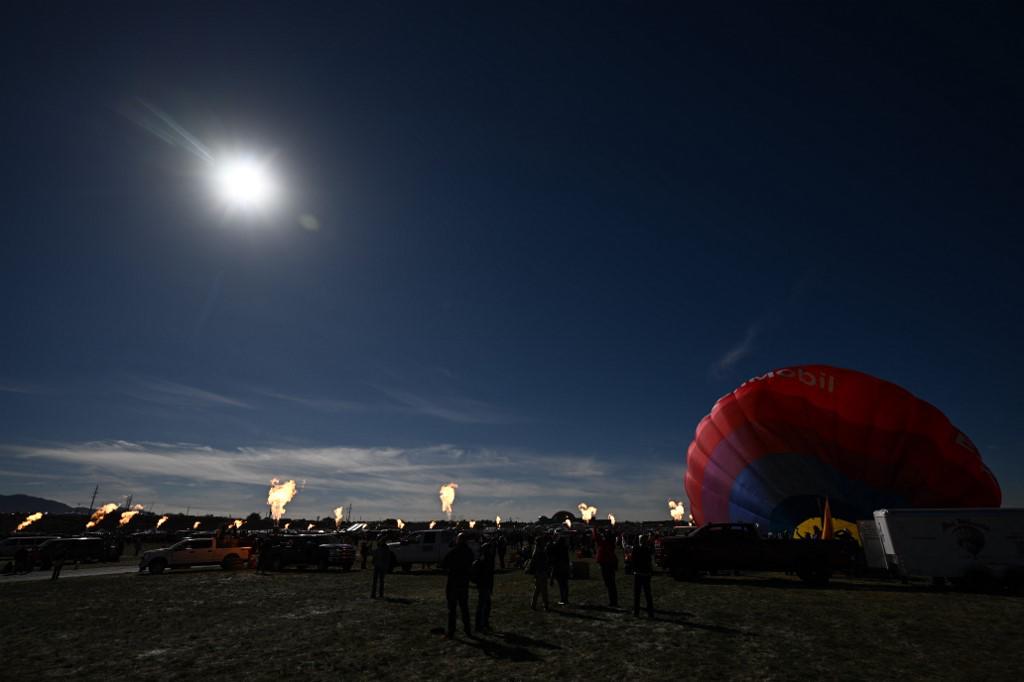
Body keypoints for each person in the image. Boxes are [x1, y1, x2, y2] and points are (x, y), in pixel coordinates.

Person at [440, 533, 474, 638]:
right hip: (464, 583)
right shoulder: (469, 552)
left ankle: (451, 631)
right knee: (464, 608)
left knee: (452, 609)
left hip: (454, 582)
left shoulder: (454, 551)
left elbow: (444, 563)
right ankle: (468, 630)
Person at [473, 541, 496, 633]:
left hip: (484, 584)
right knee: (483, 606)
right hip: (484, 584)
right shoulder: (486, 559)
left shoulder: (485, 558)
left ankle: (483, 624)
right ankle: (480, 625)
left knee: (485, 605)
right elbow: (487, 574)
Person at [593, 527, 619, 608]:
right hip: (607, 563)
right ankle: (613, 600)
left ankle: (613, 601)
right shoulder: (608, 542)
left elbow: (596, 538)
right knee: (610, 583)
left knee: (610, 583)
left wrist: (594, 528)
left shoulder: (606, 543)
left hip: (607, 563)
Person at [631, 534, 655, 618]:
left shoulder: (636, 549)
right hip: (646, 573)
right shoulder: (647, 549)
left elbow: (633, 561)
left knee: (637, 594)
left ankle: (636, 612)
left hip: (638, 574)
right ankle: (650, 612)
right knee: (648, 594)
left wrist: (633, 570)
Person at [528, 535, 551, 611]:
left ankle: (533, 604)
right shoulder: (539, 552)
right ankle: (545, 605)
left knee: (537, 589)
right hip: (541, 572)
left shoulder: (537, 551)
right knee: (543, 589)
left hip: (539, 572)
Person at [548, 535, 571, 605]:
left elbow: (552, 555)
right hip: (565, 566)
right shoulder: (565, 548)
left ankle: (563, 599)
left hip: (558, 567)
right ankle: (565, 599)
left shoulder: (556, 548)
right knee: (565, 584)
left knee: (561, 585)